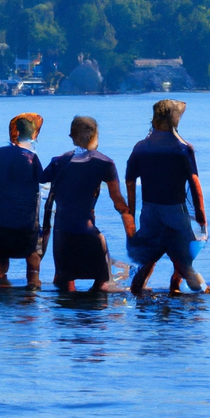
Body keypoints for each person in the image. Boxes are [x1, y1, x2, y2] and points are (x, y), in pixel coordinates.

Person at [41, 115, 135, 291]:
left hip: (62, 233)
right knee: (101, 286)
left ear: (72, 136)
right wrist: (128, 213)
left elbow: (38, 180)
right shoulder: (105, 163)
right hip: (88, 232)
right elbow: (117, 200)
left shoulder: (59, 161)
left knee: (65, 285)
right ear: (95, 136)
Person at [125, 99, 208, 294]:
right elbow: (194, 183)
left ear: (154, 121)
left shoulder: (141, 147)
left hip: (149, 209)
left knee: (149, 257)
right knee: (183, 260)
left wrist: (131, 214)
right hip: (175, 210)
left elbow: (129, 181)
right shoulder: (182, 148)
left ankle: (137, 290)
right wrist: (200, 213)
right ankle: (195, 293)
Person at [0, 113, 44, 288]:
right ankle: (33, 286)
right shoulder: (31, 158)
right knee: (32, 255)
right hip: (26, 220)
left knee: (1, 256)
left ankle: (0, 282)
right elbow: (42, 178)